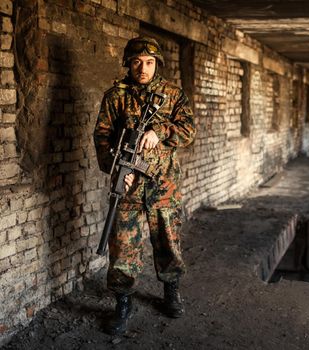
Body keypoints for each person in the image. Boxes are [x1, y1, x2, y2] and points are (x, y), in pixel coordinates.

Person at [93, 36, 196, 335]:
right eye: (137, 62)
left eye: (149, 63)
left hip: (163, 186)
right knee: (123, 249)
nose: (143, 68)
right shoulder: (115, 96)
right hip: (128, 189)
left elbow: (188, 129)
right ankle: (123, 302)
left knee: (168, 243)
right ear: (128, 62)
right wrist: (114, 170)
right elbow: (102, 136)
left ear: (157, 64)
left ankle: (171, 292)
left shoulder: (173, 94)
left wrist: (160, 131)